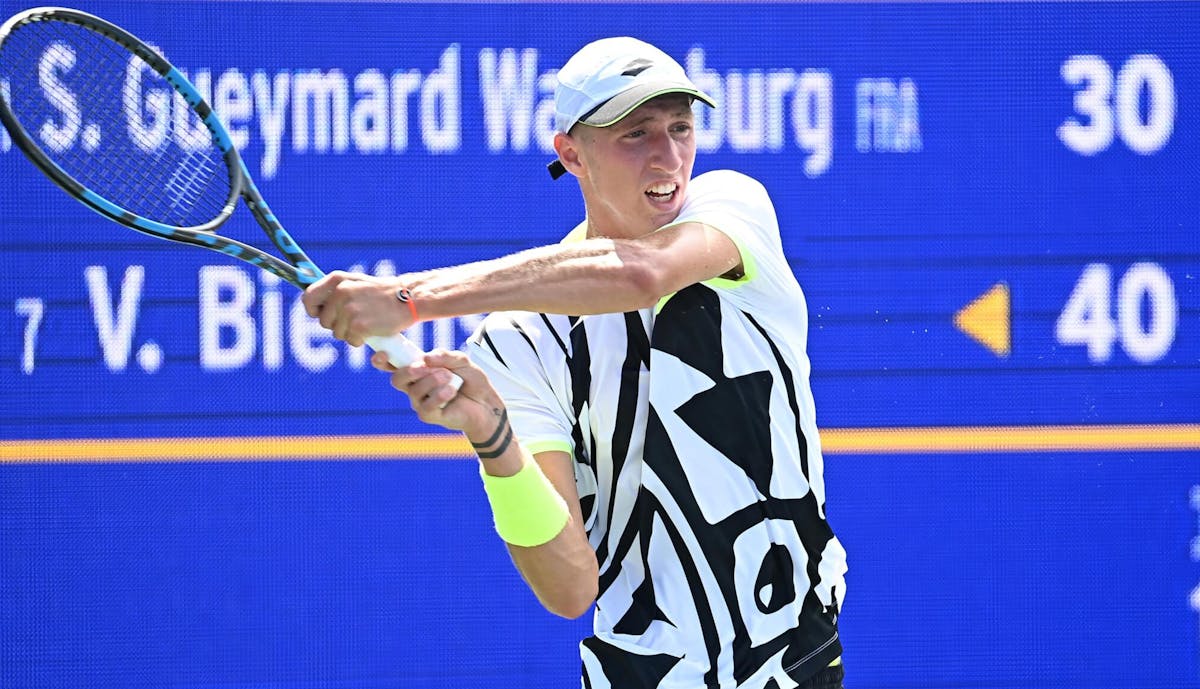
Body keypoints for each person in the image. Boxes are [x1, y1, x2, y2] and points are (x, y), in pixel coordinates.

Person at [301, 36, 848, 689]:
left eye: (680, 126)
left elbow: (643, 274)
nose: (668, 154)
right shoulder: (519, 341)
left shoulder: (733, 207)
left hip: (795, 664)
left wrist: (409, 299)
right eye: (635, 133)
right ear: (571, 153)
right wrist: (492, 436)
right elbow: (570, 588)